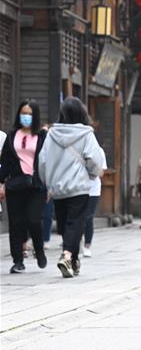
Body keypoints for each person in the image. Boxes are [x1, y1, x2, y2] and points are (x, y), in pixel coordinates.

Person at [39, 97, 105, 278]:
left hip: (58, 188)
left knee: (65, 225)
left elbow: (43, 161)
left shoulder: (52, 134)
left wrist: (48, 184)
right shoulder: (86, 134)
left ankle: (73, 262)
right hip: (79, 187)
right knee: (75, 223)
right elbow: (94, 160)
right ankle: (67, 255)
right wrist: (93, 174)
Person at [0, 101, 48, 273]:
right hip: (15, 185)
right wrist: (1, 182)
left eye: (29, 114)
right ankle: (18, 260)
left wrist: (49, 184)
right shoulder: (12, 135)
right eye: (23, 113)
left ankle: (39, 250)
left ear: (35, 116)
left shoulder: (42, 136)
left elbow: (48, 161)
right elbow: (5, 162)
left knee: (33, 220)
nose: (25, 117)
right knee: (16, 223)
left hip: (36, 185)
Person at [81, 147, 108, 258]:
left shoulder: (99, 150)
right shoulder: (77, 148)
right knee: (77, 216)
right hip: (77, 187)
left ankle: (87, 245)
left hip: (93, 189)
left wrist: (90, 167)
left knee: (88, 217)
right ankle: (76, 240)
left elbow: (102, 172)